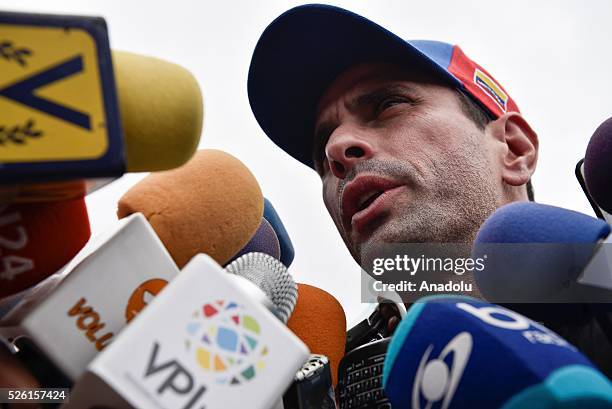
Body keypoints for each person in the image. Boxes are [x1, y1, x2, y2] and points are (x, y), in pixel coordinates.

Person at [247, 4, 612, 375]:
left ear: (513, 149)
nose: (336, 149)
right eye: (322, 152)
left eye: (389, 104)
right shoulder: (306, 382)